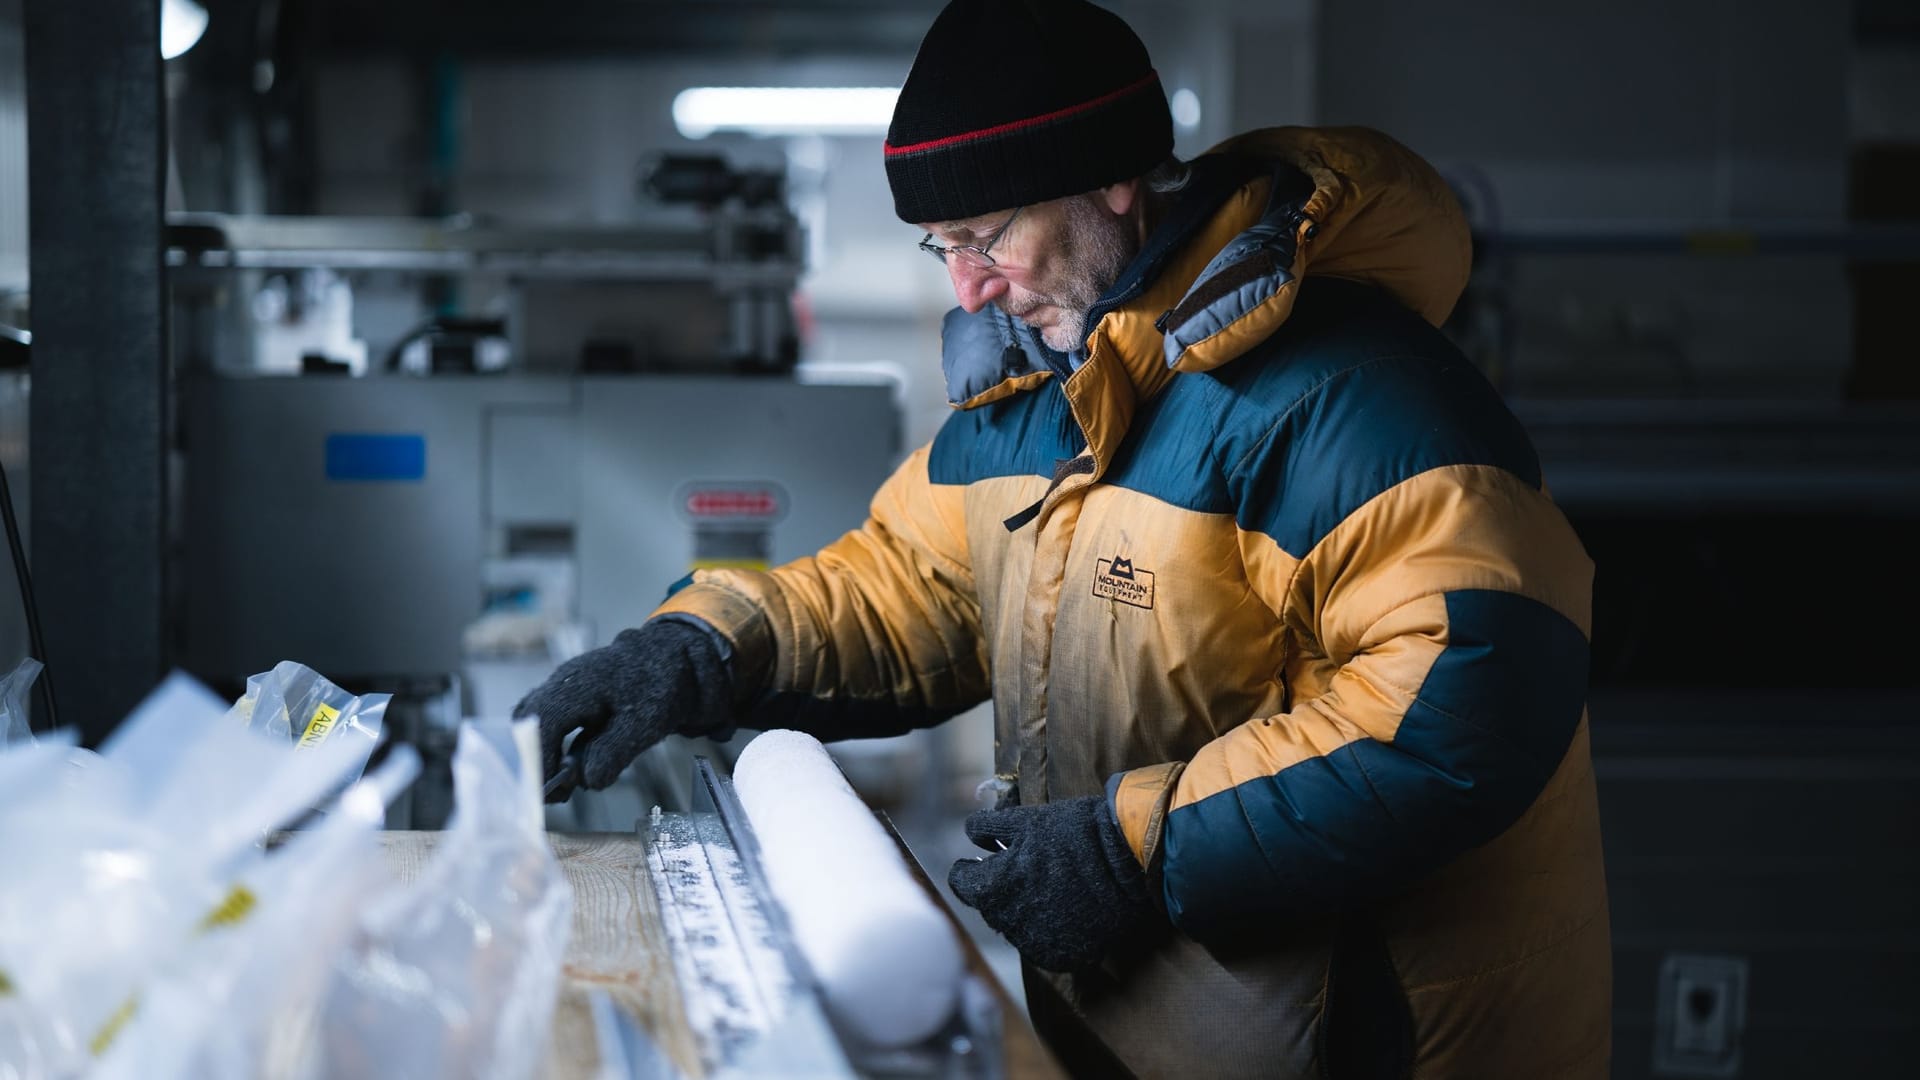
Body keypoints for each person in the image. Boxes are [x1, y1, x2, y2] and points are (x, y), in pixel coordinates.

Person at [515, 0, 1610, 1075]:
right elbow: (906, 589)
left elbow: (1462, 705)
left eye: (989, 239)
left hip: (1365, 1045)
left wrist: (1134, 848)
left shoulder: (1355, 400)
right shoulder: (1043, 393)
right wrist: (701, 645)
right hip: (1141, 1035)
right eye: (941, 246)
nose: (966, 286)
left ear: (1113, 181)